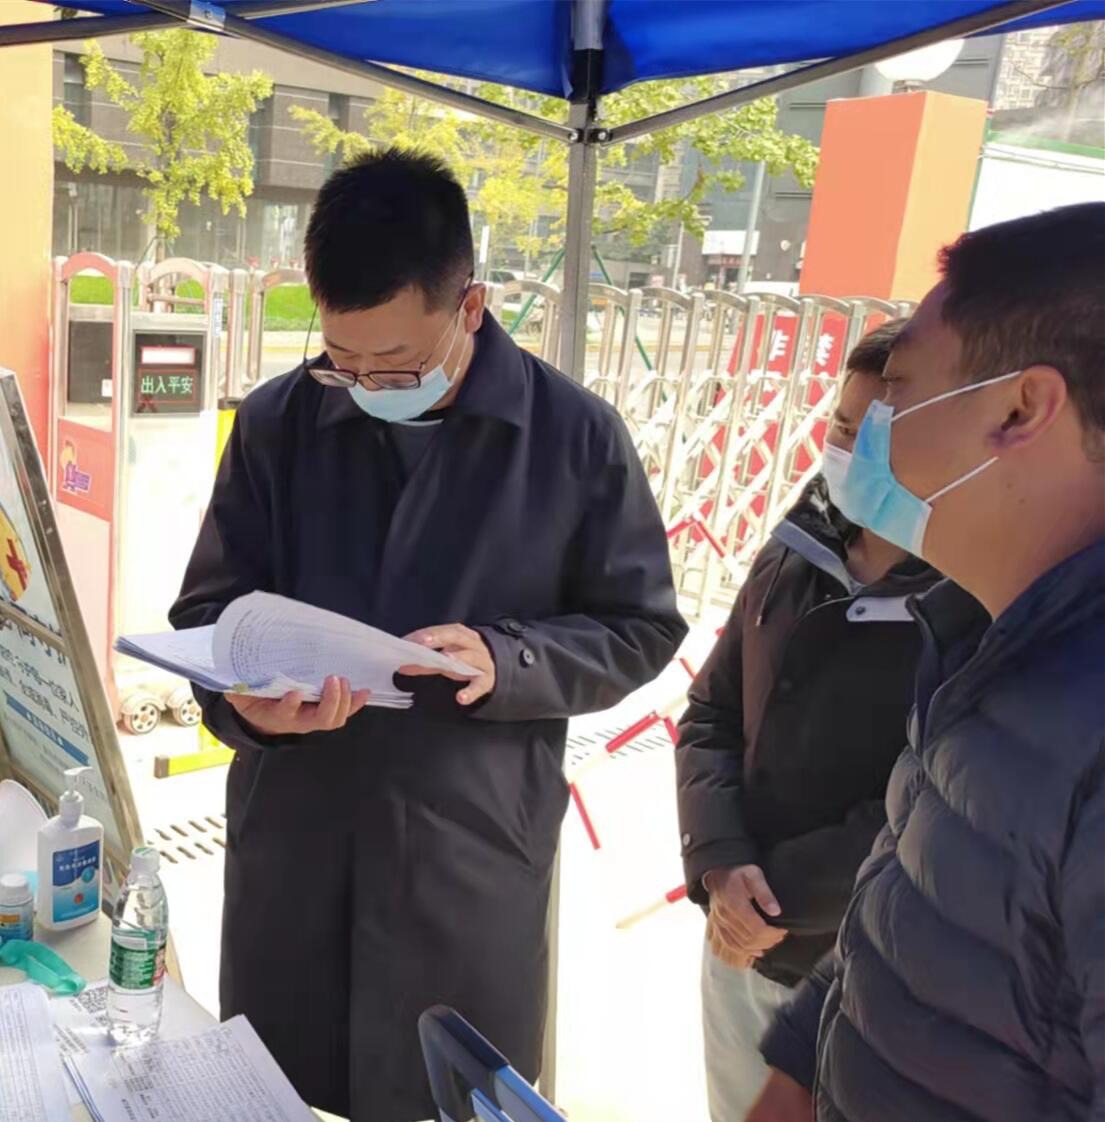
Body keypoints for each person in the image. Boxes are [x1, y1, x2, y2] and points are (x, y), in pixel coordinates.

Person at [170, 149, 687, 1122]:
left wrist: (512, 658)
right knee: (279, 1084)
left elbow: (640, 625)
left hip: (468, 841)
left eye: (398, 364)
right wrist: (246, 707)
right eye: (343, 359)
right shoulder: (282, 420)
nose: (367, 382)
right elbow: (208, 612)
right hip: (299, 834)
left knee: (448, 1091)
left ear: (471, 306)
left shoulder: (573, 438)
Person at [747, 202, 1105, 1122]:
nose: (867, 432)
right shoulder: (986, 640)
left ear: (1019, 410)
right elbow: (916, 905)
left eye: (898, 390)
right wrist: (801, 1066)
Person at [675, 319, 942, 1121]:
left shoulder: (971, 600)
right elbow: (711, 711)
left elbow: (933, 800)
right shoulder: (799, 543)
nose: (851, 456)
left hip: (861, 962)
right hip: (736, 939)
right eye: (841, 428)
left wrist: (774, 901)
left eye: (878, 439)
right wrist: (719, 861)